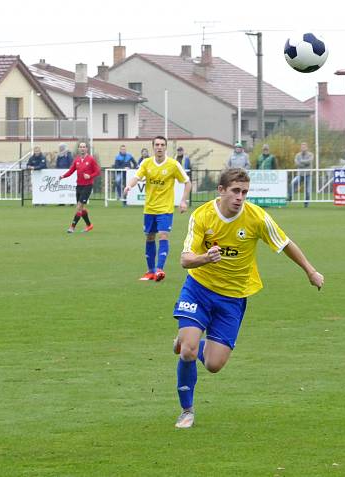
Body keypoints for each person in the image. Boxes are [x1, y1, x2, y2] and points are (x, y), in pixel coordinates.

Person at [171, 167, 324, 429]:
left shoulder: (256, 218)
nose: (240, 197)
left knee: (214, 365)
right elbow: (185, 259)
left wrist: (310, 271)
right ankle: (187, 410)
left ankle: (188, 338)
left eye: (244, 192)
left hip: (233, 298)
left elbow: (285, 243)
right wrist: (205, 258)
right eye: (235, 191)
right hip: (199, 288)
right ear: (221, 191)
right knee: (188, 351)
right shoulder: (203, 216)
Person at [123, 136, 192, 281]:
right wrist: (129, 185)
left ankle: (160, 269)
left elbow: (187, 182)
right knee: (149, 237)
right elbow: (136, 177)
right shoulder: (146, 163)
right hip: (149, 208)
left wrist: (183, 201)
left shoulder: (173, 165)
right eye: (157, 145)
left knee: (163, 235)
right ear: (153, 147)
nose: (159, 147)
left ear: (165, 147)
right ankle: (150, 271)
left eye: (162, 145)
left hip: (165, 209)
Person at [60, 142, 101, 233]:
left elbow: (98, 171)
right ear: (78, 149)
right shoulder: (77, 160)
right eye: (81, 147)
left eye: (84, 147)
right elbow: (71, 170)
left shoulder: (91, 159)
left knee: (78, 207)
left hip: (87, 186)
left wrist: (90, 176)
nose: (82, 148)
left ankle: (72, 227)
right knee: (81, 208)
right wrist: (63, 176)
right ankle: (89, 225)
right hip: (79, 186)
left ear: (87, 149)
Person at [290, 142, 313, 207]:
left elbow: (309, 161)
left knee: (308, 190)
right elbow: (296, 163)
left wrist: (301, 161)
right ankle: (290, 196)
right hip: (300, 174)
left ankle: (306, 204)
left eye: (304, 147)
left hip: (308, 174)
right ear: (300, 148)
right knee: (293, 183)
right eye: (302, 147)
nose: (303, 148)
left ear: (307, 148)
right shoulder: (297, 155)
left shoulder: (310, 154)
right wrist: (303, 163)